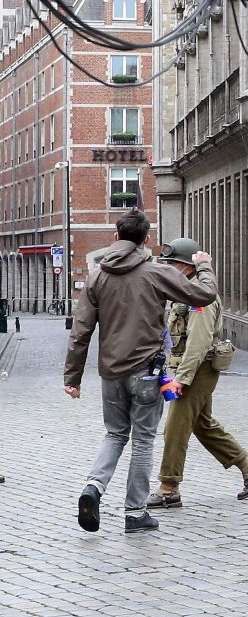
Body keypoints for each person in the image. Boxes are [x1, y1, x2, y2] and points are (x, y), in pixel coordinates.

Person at [63, 210, 216, 534]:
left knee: (115, 434)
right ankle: (134, 513)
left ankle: (94, 486)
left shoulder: (97, 277)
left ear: (116, 237)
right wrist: (202, 264)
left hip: (111, 374)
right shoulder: (156, 272)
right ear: (146, 239)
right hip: (147, 372)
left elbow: (81, 331)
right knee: (143, 441)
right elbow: (204, 295)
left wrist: (72, 378)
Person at [148, 237, 248, 509]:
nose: (168, 269)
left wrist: (182, 378)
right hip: (187, 369)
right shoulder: (184, 290)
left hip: (196, 370)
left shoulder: (199, 296)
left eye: (172, 264)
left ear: (186, 267)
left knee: (176, 429)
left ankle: (169, 487)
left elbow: (199, 342)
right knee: (203, 425)